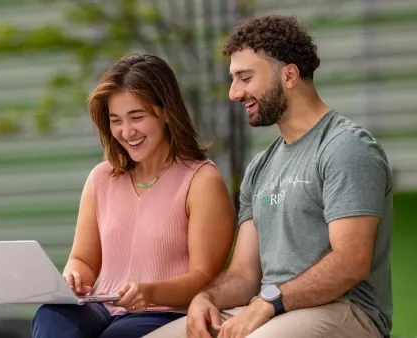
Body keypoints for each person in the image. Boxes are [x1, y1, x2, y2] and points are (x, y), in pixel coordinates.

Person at [145, 14, 393, 338]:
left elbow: (350, 262)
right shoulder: (260, 167)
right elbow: (244, 274)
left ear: (289, 75)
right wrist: (206, 298)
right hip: (272, 308)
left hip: (346, 311)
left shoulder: (345, 148)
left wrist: (268, 303)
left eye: (245, 78)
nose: (234, 93)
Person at [30, 53, 236, 338]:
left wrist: (150, 292)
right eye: (116, 121)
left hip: (163, 311)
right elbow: (84, 260)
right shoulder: (101, 178)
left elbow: (204, 277)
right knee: (52, 316)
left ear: (166, 111)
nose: (127, 132)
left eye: (136, 117)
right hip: (102, 307)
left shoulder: (201, 180)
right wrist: (73, 277)